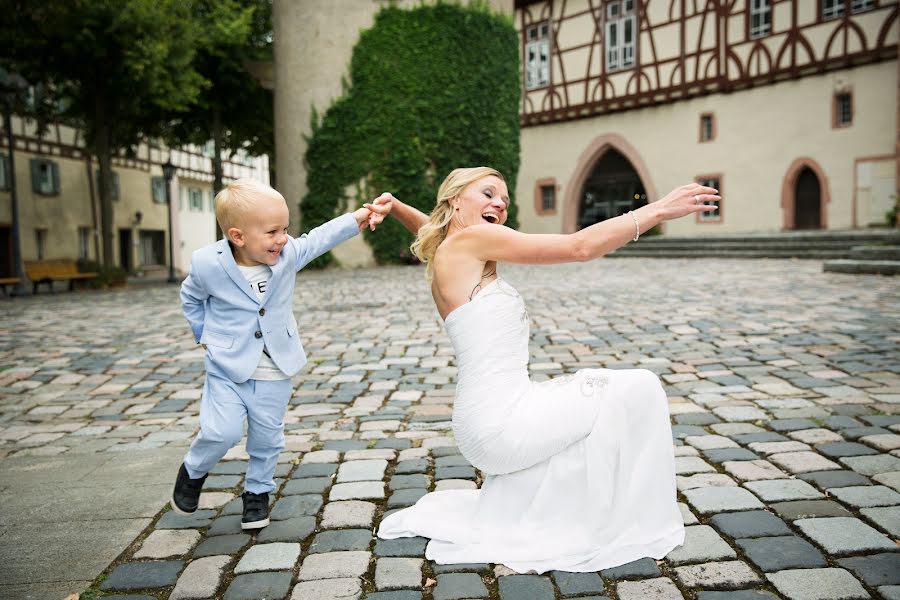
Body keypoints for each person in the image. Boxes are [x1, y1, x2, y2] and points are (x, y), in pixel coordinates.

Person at [376, 166, 721, 573]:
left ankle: (588, 506)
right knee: (639, 387)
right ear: (456, 200)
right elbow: (578, 247)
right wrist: (659, 210)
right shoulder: (471, 240)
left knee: (605, 390)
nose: (499, 204)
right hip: (501, 425)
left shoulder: (450, 249)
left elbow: (429, 227)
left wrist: (397, 207)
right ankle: (624, 516)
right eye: (487, 193)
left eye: (504, 199)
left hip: (486, 423)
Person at [171, 178, 391, 530]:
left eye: (285, 229)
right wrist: (204, 335)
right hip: (227, 366)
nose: (282, 238)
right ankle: (193, 471)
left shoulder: (287, 253)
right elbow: (191, 297)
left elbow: (319, 238)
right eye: (272, 231)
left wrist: (360, 216)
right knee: (220, 432)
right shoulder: (207, 264)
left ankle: (257, 492)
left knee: (267, 437)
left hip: (274, 366)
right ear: (238, 236)